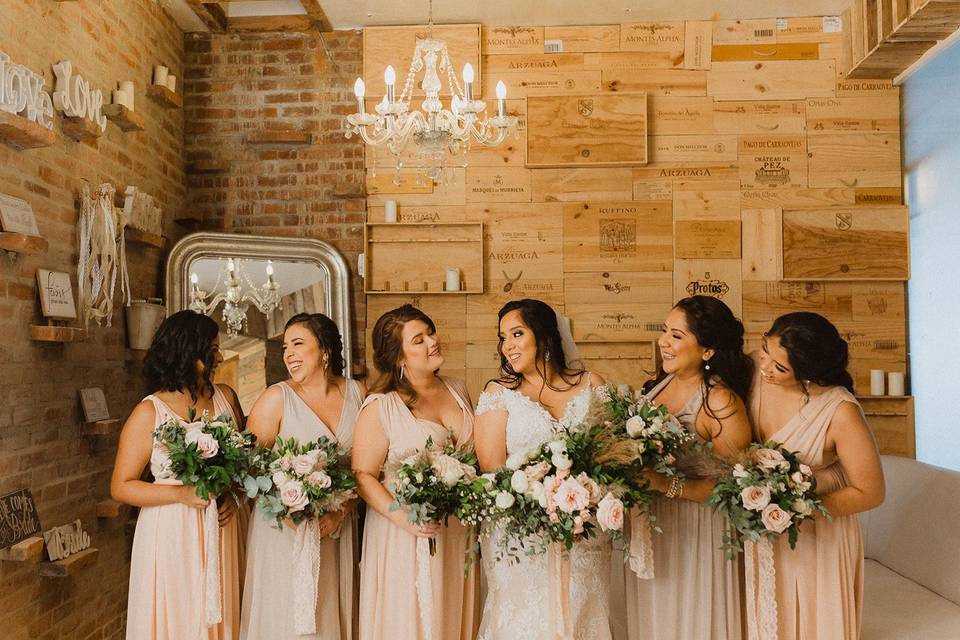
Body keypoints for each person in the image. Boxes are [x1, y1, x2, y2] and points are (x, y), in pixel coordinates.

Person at [474, 298, 610, 640]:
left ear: (545, 336)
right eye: (503, 337)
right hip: (521, 536)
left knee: (582, 612)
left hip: (582, 532)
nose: (508, 346)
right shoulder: (498, 394)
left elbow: (610, 457)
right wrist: (541, 498)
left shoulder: (592, 384)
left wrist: (583, 499)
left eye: (517, 334)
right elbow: (492, 472)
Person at [620, 295, 752, 640]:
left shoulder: (719, 401)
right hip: (652, 527)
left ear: (707, 350)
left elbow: (733, 488)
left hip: (696, 534)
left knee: (689, 623)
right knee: (654, 622)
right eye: (665, 331)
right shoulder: (656, 387)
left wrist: (666, 485)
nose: (663, 341)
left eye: (677, 336)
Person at [746, 311, 884, 640]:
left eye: (780, 368)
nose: (766, 367)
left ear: (809, 372)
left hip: (817, 538)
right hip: (760, 537)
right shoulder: (755, 369)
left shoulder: (840, 411)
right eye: (766, 349)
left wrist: (795, 511)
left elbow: (872, 491)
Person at [111, 310, 246, 640]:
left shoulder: (226, 397)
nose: (220, 356)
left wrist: (233, 496)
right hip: (170, 531)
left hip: (222, 528)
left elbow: (245, 465)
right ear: (187, 351)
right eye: (211, 349)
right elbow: (121, 486)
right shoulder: (149, 412)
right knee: (178, 614)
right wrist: (181, 494)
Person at [352, 305, 479, 640]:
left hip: (458, 531)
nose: (432, 343)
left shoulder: (457, 389)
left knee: (452, 614)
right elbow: (363, 475)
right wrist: (405, 519)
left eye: (431, 333)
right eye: (419, 340)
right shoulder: (382, 406)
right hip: (405, 533)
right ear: (399, 357)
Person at [241, 313, 365, 640]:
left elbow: (366, 468)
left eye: (298, 344)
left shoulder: (358, 393)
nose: (289, 354)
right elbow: (249, 469)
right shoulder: (275, 399)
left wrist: (341, 512)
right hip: (285, 532)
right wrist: (288, 512)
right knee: (287, 615)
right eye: (285, 347)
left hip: (338, 528)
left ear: (324, 351)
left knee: (329, 611)